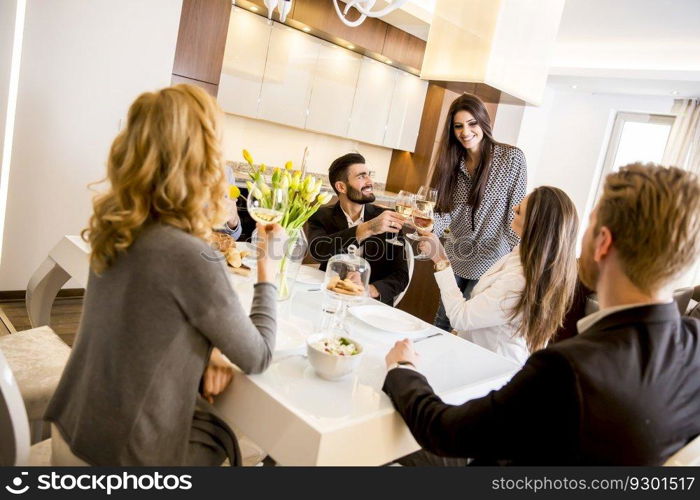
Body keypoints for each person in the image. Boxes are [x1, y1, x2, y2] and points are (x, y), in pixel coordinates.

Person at [383, 163, 700, 465]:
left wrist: (403, 369)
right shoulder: (695, 346)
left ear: (602, 243)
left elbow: (442, 431)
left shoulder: (565, 370)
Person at [45, 84, 283, 466]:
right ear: (201, 160)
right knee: (256, 441)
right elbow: (258, 355)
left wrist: (213, 349)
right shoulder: (191, 256)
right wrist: (267, 266)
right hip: (123, 458)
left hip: (74, 426)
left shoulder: (117, 228)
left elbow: (150, 327)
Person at [418, 186, 578, 364]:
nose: (514, 208)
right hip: (474, 356)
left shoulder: (521, 278)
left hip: (492, 368)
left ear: (535, 224)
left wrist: (440, 259)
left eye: (520, 210)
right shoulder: (521, 257)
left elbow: (460, 317)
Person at [431, 94, 527, 331]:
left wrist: (516, 262)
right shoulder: (451, 163)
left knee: (468, 329)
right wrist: (425, 227)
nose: (465, 132)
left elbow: (515, 214)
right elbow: (444, 213)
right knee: (442, 323)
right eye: (458, 126)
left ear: (484, 123)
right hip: (457, 256)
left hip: (492, 261)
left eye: (472, 123)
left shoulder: (511, 159)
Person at [307, 153, 409, 306]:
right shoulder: (321, 215)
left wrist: (369, 290)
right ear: (341, 186)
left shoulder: (386, 218)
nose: (370, 182)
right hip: (329, 297)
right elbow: (318, 251)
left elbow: (401, 276)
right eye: (361, 177)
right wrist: (368, 228)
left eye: (369, 175)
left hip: (370, 304)